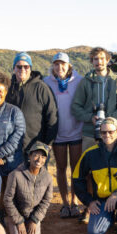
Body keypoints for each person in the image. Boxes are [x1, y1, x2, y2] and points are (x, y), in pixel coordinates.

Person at [44, 52, 84, 218]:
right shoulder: (46, 82)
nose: (59, 67)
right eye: (56, 64)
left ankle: (75, 202)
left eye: (63, 64)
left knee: (76, 169)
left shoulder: (79, 80)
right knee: (60, 168)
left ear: (69, 66)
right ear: (53, 66)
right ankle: (65, 203)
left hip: (76, 131)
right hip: (58, 133)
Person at [71, 47, 117, 151]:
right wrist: (90, 117)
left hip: (112, 133)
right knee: (90, 165)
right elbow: (75, 107)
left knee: (112, 165)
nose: (99, 62)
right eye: (96, 59)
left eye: (102, 58)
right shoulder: (85, 82)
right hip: (90, 134)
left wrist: (110, 121)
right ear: (92, 61)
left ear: (107, 60)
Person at [3, 142, 54, 234]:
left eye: (43, 157)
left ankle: (32, 224)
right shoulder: (15, 174)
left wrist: (35, 220)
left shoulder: (47, 178)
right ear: (29, 156)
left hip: (33, 215)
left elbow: (46, 201)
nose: (39, 160)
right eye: (36, 155)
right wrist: (18, 221)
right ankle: (9, 221)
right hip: (17, 214)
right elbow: (8, 199)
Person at [6, 52, 58, 152]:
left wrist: (47, 144)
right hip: (11, 148)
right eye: (19, 67)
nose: (22, 70)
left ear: (30, 68)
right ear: (14, 68)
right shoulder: (7, 87)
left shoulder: (41, 87)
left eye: (26, 67)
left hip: (36, 147)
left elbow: (52, 117)